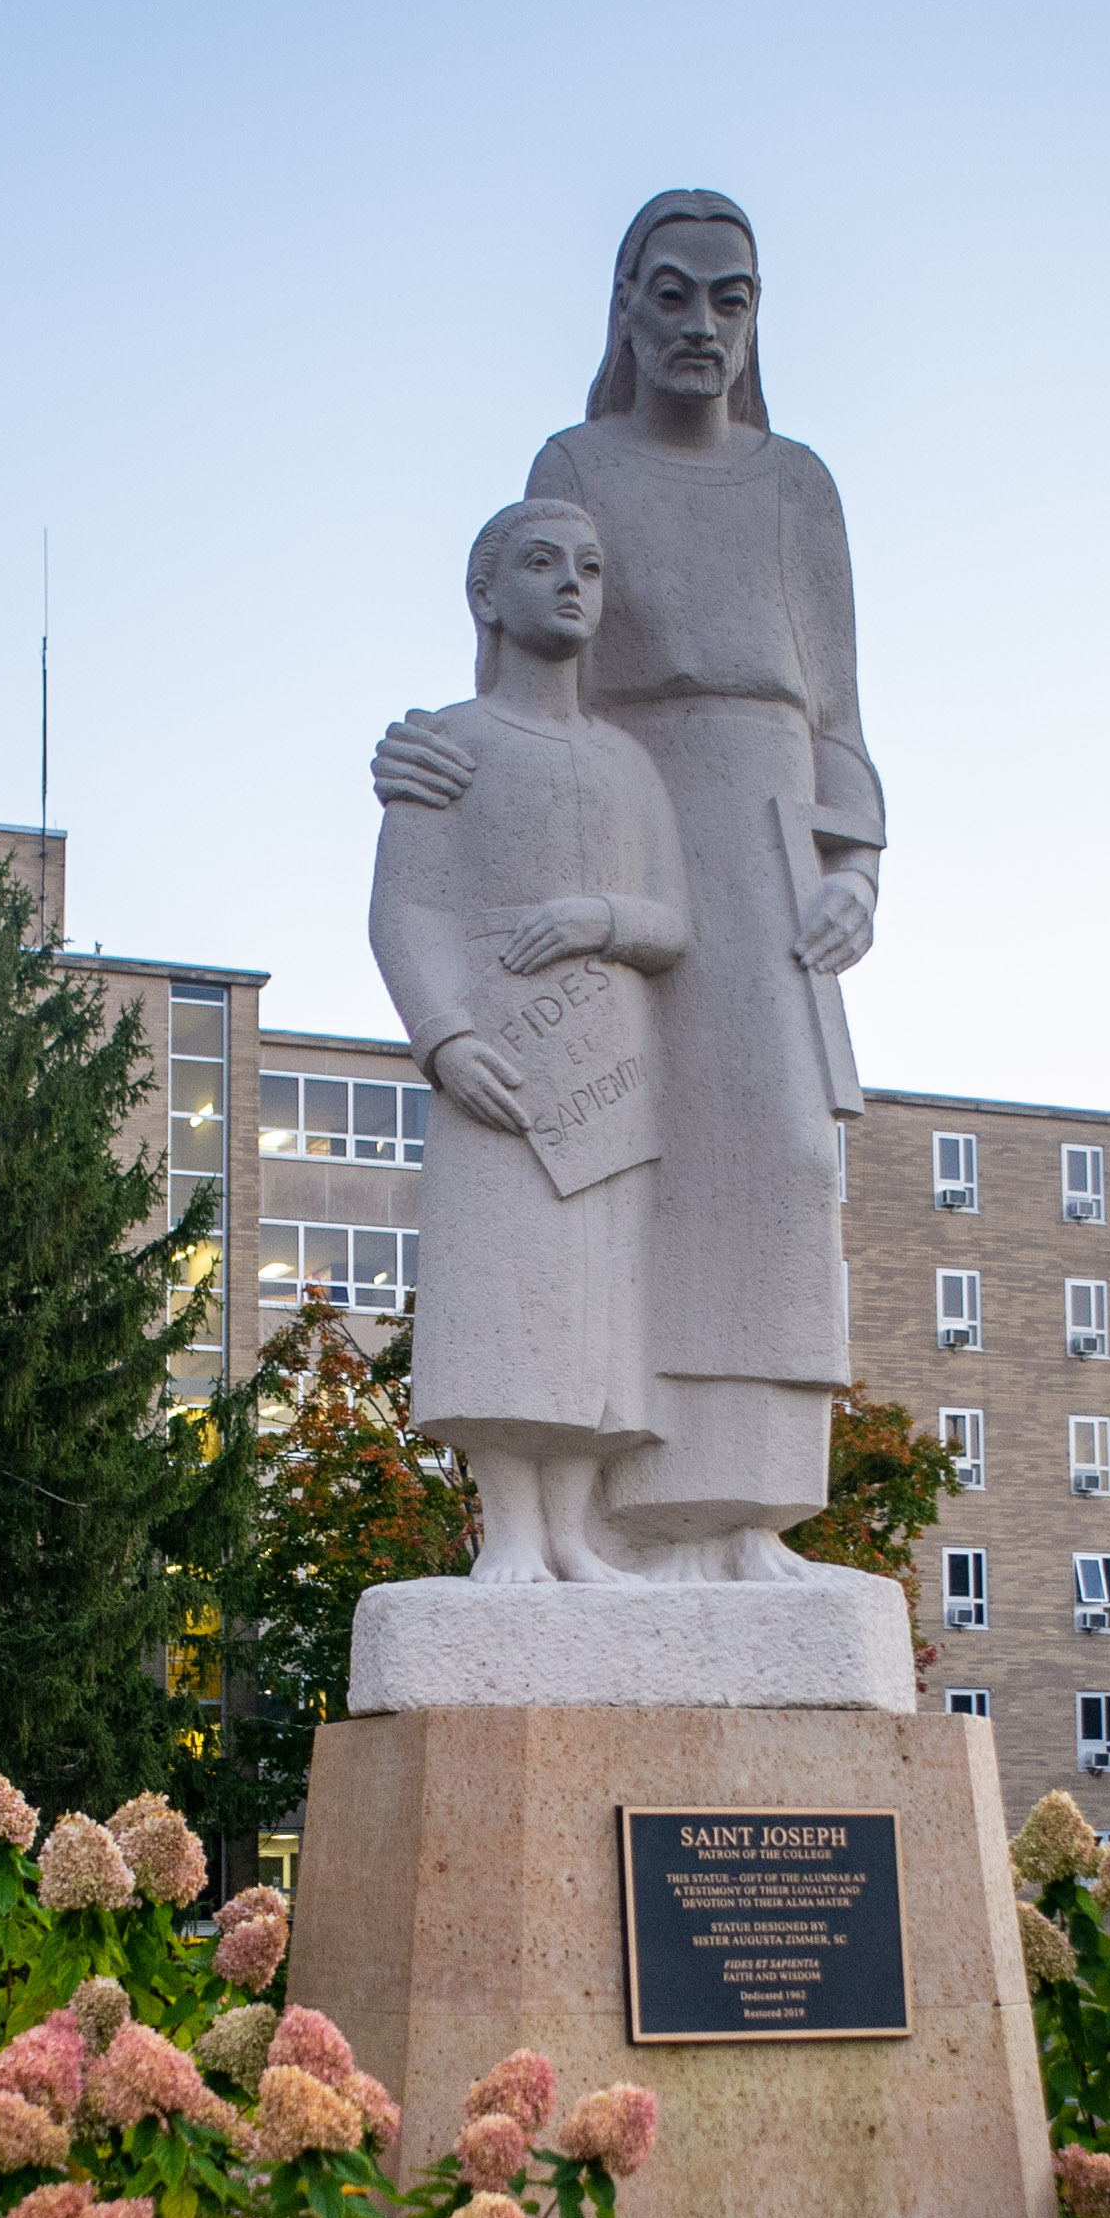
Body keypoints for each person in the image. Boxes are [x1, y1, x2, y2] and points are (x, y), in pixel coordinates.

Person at [376, 190, 885, 1585]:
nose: (701, 323)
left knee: (775, 1160)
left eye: (731, 296)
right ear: (626, 308)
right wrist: (438, 758)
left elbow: (841, 710)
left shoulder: (797, 486)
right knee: (617, 1171)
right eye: (671, 293)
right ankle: (604, 1510)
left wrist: (857, 863)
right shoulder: (576, 461)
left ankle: (744, 1515)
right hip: (613, 819)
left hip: (766, 848)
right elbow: (521, 646)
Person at [367, 500, 692, 1581]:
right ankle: (508, 1527)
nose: (570, 585)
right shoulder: (450, 746)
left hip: (609, 1069)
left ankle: (570, 1529)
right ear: (486, 594)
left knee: (597, 1303)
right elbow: (404, 909)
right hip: (496, 1065)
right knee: (502, 1292)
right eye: (542, 562)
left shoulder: (629, 764)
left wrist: (599, 918)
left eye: (589, 568)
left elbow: (673, 922)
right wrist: (445, 1041)